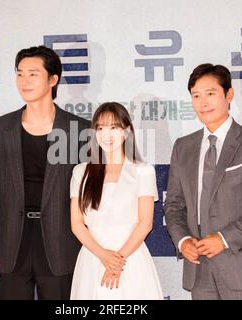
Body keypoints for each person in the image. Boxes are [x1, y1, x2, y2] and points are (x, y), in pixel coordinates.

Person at [0, 45, 90, 300]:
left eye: (33, 74)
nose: (24, 81)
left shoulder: (78, 129)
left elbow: (89, 196)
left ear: (53, 79)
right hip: (11, 245)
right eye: (19, 74)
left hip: (62, 244)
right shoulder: (0, 128)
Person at [164, 64, 242, 300]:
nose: (203, 102)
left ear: (229, 95)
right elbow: (174, 205)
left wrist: (224, 239)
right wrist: (183, 240)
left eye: (210, 93)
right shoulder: (183, 147)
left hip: (241, 265)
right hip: (198, 268)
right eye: (196, 96)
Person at [69, 102, 163, 299]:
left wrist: (117, 261)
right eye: (100, 128)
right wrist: (103, 255)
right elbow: (77, 224)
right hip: (93, 257)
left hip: (131, 258)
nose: (106, 134)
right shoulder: (81, 172)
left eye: (114, 127)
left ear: (127, 131)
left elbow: (145, 223)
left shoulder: (143, 171)